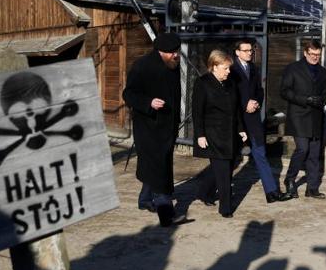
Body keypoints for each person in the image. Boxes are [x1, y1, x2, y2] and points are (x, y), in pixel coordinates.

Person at [122, 32, 184, 227]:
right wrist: (148, 102)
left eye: (177, 52)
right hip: (148, 127)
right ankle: (167, 215)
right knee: (159, 169)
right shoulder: (142, 66)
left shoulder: (172, 66)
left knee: (158, 165)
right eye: (173, 53)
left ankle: (144, 200)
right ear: (161, 51)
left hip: (168, 127)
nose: (176, 55)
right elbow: (128, 94)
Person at [231, 39, 292, 203]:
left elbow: (259, 90)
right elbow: (229, 96)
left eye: (251, 50)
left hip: (253, 119)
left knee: (261, 154)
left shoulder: (253, 68)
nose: (249, 53)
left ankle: (272, 192)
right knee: (229, 158)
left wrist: (256, 101)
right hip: (237, 121)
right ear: (237, 52)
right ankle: (207, 190)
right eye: (245, 50)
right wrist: (245, 104)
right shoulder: (231, 70)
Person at [192, 49, 247, 218]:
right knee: (223, 171)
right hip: (212, 134)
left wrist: (241, 128)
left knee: (225, 166)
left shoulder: (230, 83)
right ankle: (226, 208)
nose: (229, 71)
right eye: (225, 68)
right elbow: (197, 111)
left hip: (230, 133)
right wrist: (200, 135)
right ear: (214, 67)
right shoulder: (202, 83)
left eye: (229, 68)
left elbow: (236, 109)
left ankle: (203, 192)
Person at [280, 39, 326, 199]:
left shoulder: (322, 71)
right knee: (303, 149)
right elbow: (285, 91)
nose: (315, 57)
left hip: (316, 116)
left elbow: (325, 93)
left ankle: (312, 189)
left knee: (315, 153)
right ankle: (290, 180)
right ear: (305, 53)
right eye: (313, 54)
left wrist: (322, 100)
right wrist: (305, 99)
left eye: (318, 55)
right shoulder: (293, 69)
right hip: (299, 116)